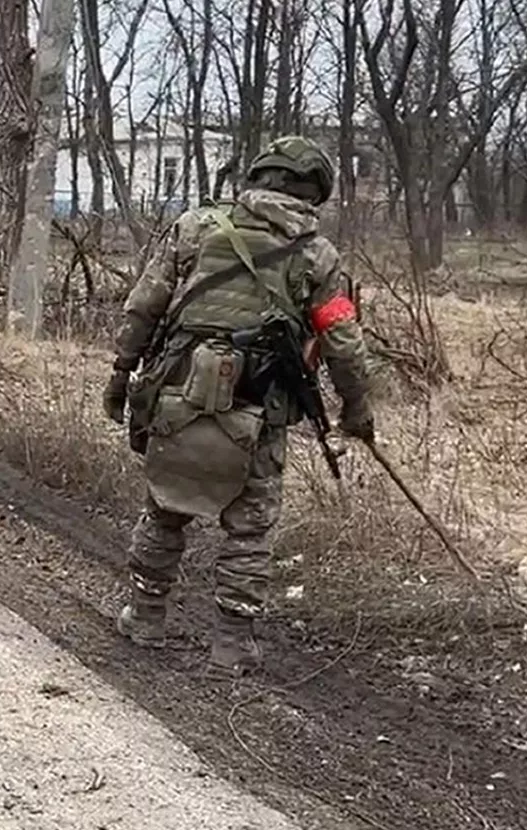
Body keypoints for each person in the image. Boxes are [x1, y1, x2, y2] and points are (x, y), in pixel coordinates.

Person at [102, 135, 378, 675]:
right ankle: (231, 644)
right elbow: (343, 341)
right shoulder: (318, 256)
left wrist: (120, 374)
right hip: (260, 406)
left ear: (257, 177)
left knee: (166, 504)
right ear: (315, 191)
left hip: (177, 391)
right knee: (249, 526)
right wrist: (357, 410)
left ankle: (144, 616)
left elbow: (144, 306)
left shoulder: (195, 228)